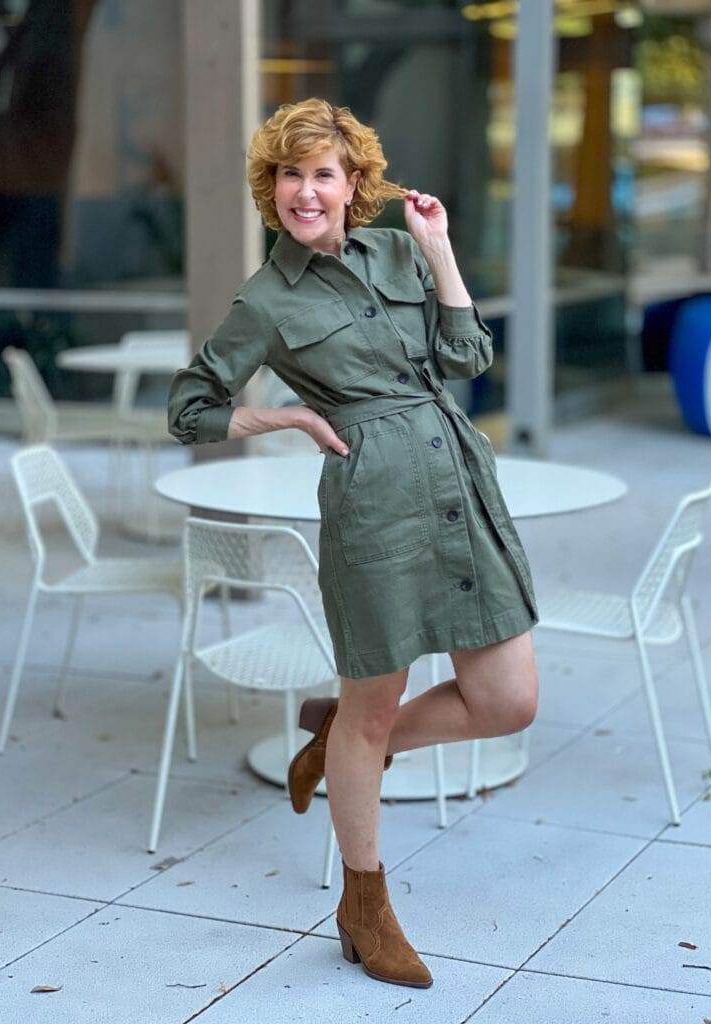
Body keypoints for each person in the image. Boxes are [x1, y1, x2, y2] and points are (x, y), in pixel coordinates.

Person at [167, 97, 540, 990]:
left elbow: (469, 359)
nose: (306, 191)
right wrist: (283, 415)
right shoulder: (266, 300)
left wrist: (443, 249)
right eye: (290, 174)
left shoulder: (401, 251)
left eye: (323, 173)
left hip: (459, 483)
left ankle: (336, 744)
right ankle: (363, 904)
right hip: (374, 505)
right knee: (372, 706)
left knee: (508, 699)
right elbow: (189, 407)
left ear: (352, 183)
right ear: (273, 186)